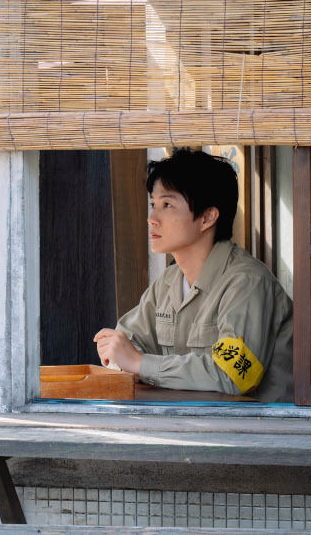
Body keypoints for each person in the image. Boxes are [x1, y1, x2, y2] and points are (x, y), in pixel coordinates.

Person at [93, 149, 293, 402]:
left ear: (207, 217)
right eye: (153, 204)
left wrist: (140, 364)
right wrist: (122, 357)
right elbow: (127, 344)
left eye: (167, 205)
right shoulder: (168, 282)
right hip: (187, 421)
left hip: (261, 425)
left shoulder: (248, 282)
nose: (152, 219)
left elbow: (233, 375)